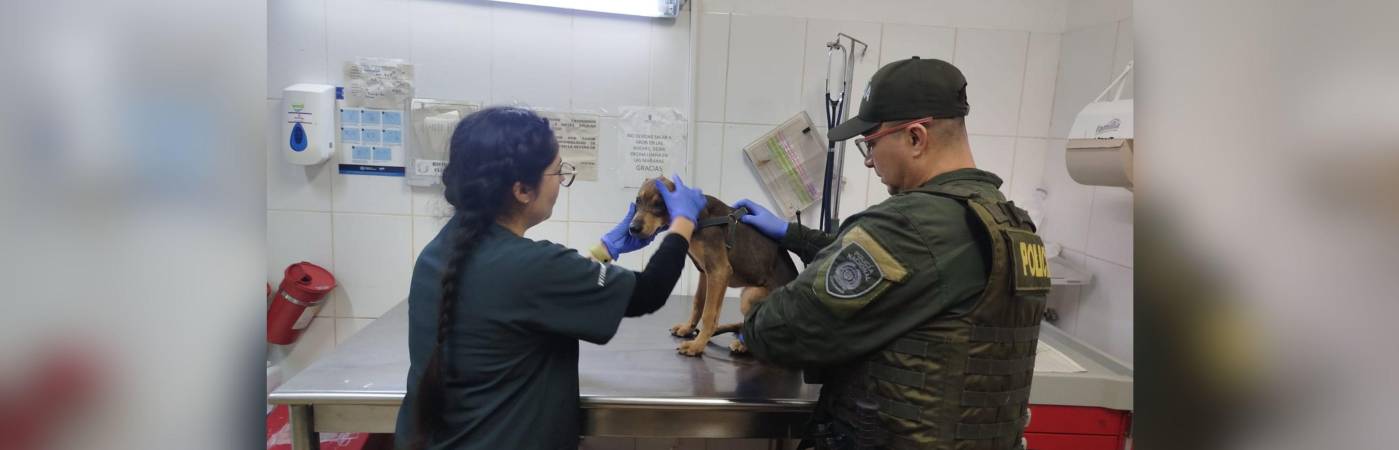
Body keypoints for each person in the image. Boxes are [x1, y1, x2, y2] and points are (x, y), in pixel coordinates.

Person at [734, 58, 1052, 449]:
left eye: (871, 143)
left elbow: (779, 333)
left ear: (916, 137)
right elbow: (915, 277)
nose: (869, 160)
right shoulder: (1012, 225)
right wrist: (794, 235)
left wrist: (753, 307)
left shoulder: (910, 224)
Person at [393, 106, 708, 450]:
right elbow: (649, 292)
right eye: (558, 171)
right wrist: (683, 222)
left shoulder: (438, 253)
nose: (561, 181)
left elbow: (537, 290)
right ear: (522, 190)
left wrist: (606, 249)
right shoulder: (531, 266)